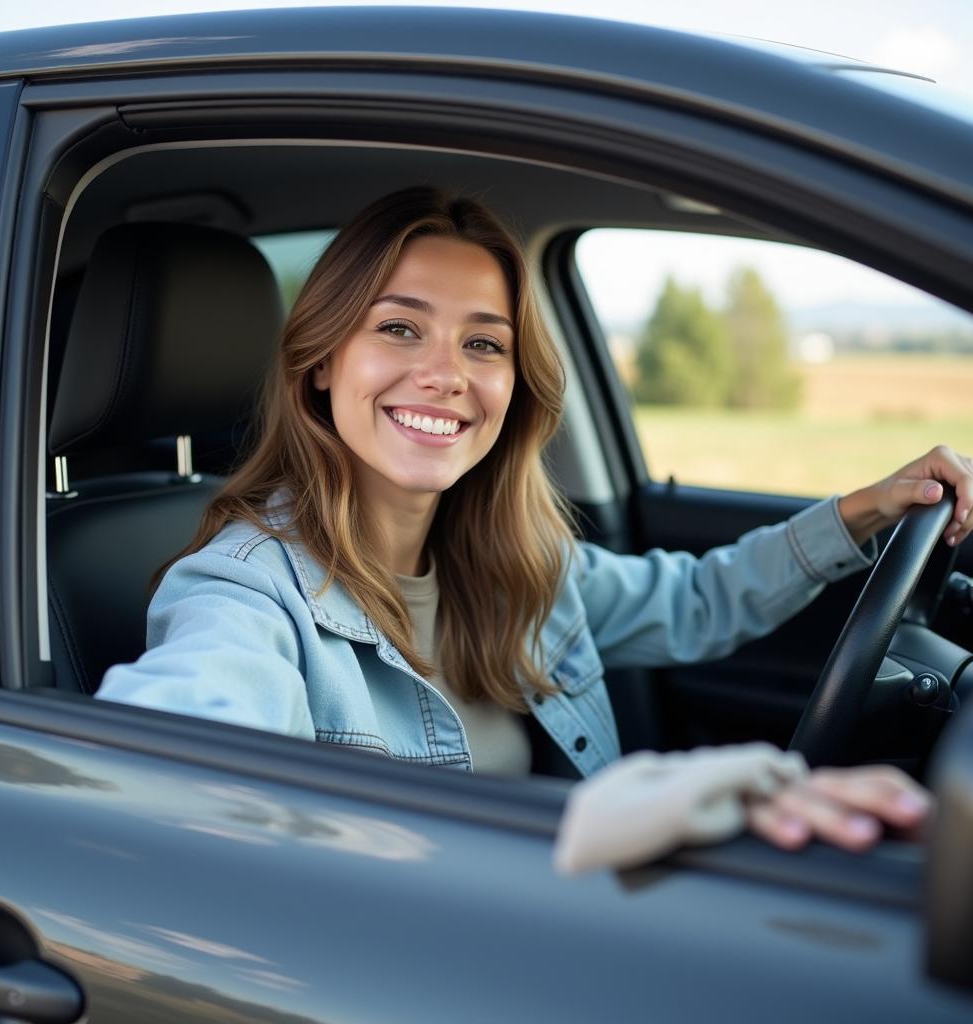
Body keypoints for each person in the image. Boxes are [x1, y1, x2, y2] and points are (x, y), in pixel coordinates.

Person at [97, 187, 973, 857]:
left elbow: (701, 602)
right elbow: (155, 756)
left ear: (515, 386)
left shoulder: (522, 561)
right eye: (400, 329)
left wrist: (870, 507)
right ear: (322, 361)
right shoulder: (247, 588)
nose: (446, 375)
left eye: (483, 343)